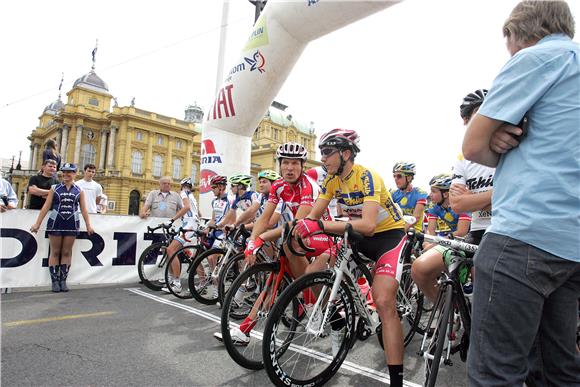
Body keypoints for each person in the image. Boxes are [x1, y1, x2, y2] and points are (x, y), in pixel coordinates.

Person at [462, 2, 580, 385]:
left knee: (496, 374)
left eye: (508, 43)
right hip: (571, 243)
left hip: (523, 235)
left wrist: (495, 136)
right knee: (558, 370)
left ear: (519, 32)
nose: (509, 53)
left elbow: (473, 147)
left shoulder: (538, 57)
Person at [295, 128, 407, 386]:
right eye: (321, 153)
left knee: (383, 301)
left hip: (387, 237)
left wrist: (320, 226)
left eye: (327, 153)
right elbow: (313, 216)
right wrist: (299, 225)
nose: (322, 158)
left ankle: (397, 382)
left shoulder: (367, 177)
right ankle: (341, 319)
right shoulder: (332, 181)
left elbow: (368, 225)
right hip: (356, 234)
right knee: (319, 268)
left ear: (346, 153)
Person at [230, 142, 333, 346]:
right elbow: (266, 219)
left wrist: (262, 238)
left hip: (322, 234)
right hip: (296, 236)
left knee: (291, 245)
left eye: (295, 163)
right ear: (280, 165)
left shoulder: (308, 185)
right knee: (275, 277)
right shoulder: (278, 186)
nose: (289, 168)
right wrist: (252, 243)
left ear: (302, 166)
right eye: (285, 163)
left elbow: (297, 224)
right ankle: (245, 328)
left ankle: (313, 305)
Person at [30, 163, 94, 292]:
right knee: (55, 251)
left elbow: (84, 210)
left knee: (66, 252)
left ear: (75, 173)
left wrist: (88, 225)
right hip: (56, 222)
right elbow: (46, 207)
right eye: (64, 172)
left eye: (69, 172)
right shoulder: (54, 188)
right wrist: (37, 223)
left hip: (72, 224)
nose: (66, 175)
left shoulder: (79, 190)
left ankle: (63, 280)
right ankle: (54, 281)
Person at [411, 174, 471, 302]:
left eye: (434, 191)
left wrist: (439, 241)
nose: (430, 194)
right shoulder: (435, 208)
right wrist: (427, 244)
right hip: (451, 239)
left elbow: (461, 231)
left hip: (468, 240)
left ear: (446, 194)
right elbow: (431, 231)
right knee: (427, 248)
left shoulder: (460, 204)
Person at [450, 89, 494, 246]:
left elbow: (516, 198)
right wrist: (495, 195)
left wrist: (471, 199)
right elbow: (456, 205)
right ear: (466, 120)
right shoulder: (462, 158)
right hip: (477, 230)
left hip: (505, 229)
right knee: (422, 268)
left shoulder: (510, 150)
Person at [162, 177, 201, 294]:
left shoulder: (183, 193)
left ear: (182, 186)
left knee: (171, 250)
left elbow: (187, 207)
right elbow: (199, 213)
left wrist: (172, 219)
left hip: (188, 224)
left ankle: (177, 283)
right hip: (192, 224)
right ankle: (172, 279)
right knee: (192, 255)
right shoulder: (193, 196)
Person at [390, 162, 428, 232]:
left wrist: (401, 232)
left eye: (399, 176)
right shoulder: (392, 194)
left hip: (414, 232)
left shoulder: (420, 193)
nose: (395, 179)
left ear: (409, 178)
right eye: (394, 176)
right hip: (397, 231)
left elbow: (415, 217)